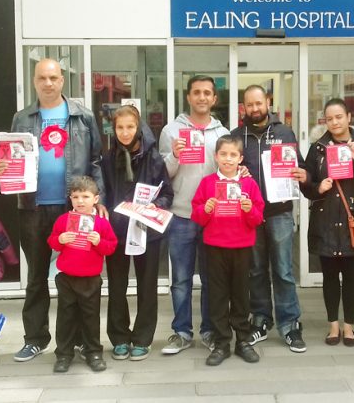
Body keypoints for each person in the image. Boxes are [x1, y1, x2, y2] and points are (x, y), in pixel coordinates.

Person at [0, 58, 105, 362]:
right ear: (34, 81)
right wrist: (2, 168)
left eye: (53, 77)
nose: (48, 83)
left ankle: (80, 340)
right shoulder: (22, 117)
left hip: (74, 211)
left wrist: (99, 199)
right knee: (36, 277)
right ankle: (35, 339)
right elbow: (12, 158)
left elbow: (95, 161)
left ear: (62, 81)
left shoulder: (82, 116)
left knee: (78, 276)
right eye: (42, 77)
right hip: (32, 208)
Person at [230, 85, 308, 353]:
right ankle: (261, 319)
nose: (254, 109)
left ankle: (290, 324)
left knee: (284, 270)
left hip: (280, 212)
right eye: (249, 104)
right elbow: (228, 170)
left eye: (258, 103)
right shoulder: (237, 136)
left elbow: (299, 165)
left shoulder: (284, 132)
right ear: (244, 107)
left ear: (268, 102)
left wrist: (300, 173)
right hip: (250, 214)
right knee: (255, 270)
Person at [158, 75, 230, 355]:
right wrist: (175, 155)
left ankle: (209, 330)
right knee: (181, 279)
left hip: (213, 215)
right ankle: (181, 331)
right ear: (188, 97)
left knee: (212, 278)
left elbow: (228, 169)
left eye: (207, 93)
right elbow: (163, 174)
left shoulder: (221, 132)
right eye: (196, 92)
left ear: (214, 99)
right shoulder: (171, 130)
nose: (202, 97)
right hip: (181, 216)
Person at [303, 98, 354, 347]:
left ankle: (349, 327)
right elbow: (307, 185)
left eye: (339, 117)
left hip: (351, 220)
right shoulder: (317, 148)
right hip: (325, 219)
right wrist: (316, 187)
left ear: (349, 117)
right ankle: (332, 327)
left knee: (350, 275)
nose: (334, 122)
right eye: (329, 118)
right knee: (328, 276)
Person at [101, 104, 173, 361]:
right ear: (113, 128)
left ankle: (142, 338)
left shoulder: (153, 159)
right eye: (119, 127)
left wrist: (154, 207)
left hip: (146, 231)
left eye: (130, 127)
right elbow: (104, 193)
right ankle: (119, 338)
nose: (124, 132)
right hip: (117, 232)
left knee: (147, 285)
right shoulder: (108, 159)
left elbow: (167, 193)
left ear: (139, 127)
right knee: (117, 286)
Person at [191, 135, 265, 366]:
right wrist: (207, 208)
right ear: (216, 156)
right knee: (217, 296)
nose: (228, 159)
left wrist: (249, 208)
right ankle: (222, 342)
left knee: (241, 295)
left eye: (233, 155)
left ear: (240, 158)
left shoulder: (249, 185)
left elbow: (258, 218)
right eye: (223, 154)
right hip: (214, 247)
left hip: (241, 247)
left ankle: (243, 341)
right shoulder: (207, 183)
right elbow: (197, 216)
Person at [47, 176, 117, 373]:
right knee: (65, 318)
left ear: (96, 199)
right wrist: (60, 239)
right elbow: (52, 242)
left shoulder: (101, 224)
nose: (80, 201)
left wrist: (98, 242)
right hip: (67, 278)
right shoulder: (63, 220)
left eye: (85, 196)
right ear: (70, 199)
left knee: (90, 317)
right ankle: (64, 354)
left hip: (90, 279)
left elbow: (110, 247)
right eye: (75, 196)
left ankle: (93, 352)